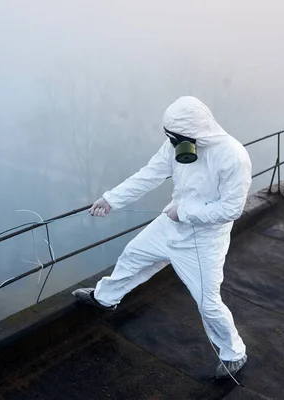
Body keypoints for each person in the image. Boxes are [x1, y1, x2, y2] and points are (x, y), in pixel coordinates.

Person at [72, 96, 252, 379]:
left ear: (197, 130)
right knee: (133, 255)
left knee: (207, 301)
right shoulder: (175, 147)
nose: (173, 142)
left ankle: (234, 354)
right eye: (170, 137)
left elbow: (232, 209)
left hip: (204, 239)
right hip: (171, 223)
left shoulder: (233, 156)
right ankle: (105, 298)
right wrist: (111, 200)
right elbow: (149, 175)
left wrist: (186, 212)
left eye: (178, 137)